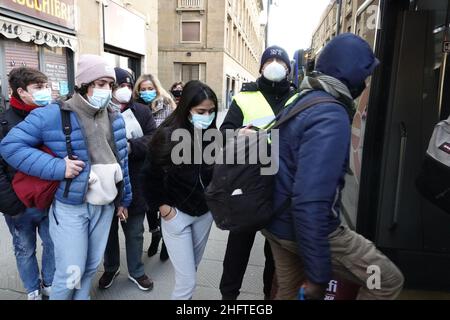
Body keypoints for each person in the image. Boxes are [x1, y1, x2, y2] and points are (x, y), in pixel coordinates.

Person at [263, 33, 404, 300]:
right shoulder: (331, 114)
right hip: (306, 226)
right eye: (363, 76)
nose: (364, 84)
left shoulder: (303, 99)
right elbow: (309, 199)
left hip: (276, 224)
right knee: (386, 279)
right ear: (349, 74)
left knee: (289, 292)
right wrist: (318, 276)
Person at [0, 54, 132, 300]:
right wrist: (57, 167)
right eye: (100, 83)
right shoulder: (53, 113)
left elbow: (121, 160)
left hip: (105, 205)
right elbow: (10, 146)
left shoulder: (114, 116)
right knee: (71, 270)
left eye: (110, 85)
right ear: (83, 84)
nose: (107, 90)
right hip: (71, 206)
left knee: (91, 266)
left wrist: (124, 199)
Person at [219, 45, 298, 300]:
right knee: (238, 246)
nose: (274, 64)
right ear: (261, 67)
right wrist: (238, 134)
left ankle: (269, 296)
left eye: (280, 60)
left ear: (288, 68)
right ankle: (228, 297)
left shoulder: (298, 99)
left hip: (282, 185)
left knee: (275, 252)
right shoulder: (244, 97)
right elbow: (222, 135)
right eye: (269, 60)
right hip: (249, 184)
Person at [141, 80, 218, 300]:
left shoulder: (212, 136)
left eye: (211, 111)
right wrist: (165, 210)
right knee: (187, 283)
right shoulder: (166, 134)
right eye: (201, 111)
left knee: (190, 271)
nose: (207, 115)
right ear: (187, 109)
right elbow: (148, 177)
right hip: (177, 215)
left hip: (204, 214)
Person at [98, 67, 156, 291]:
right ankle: (111, 268)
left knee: (134, 231)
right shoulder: (98, 110)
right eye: (120, 85)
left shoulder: (141, 111)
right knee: (108, 231)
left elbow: (153, 138)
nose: (125, 90)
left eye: (128, 86)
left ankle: (137, 271)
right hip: (105, 182)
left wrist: (132, 146)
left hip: (135, 179)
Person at [0, 67, 55, 300]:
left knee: (54, 244)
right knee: (24, 249)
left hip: (50, 198)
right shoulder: (4, 121)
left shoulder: (52, 114)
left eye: (46, 86)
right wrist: (11, 203)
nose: (46, 92)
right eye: (39, 88)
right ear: (21, 91)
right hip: (18, 203)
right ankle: (33, 290)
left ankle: (50, 285)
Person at [134, 73, 175, 260]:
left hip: (164, 161)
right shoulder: (135, 108)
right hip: (143, 161)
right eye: (143, 89)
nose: (147, 92)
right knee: (149, 203)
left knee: (164, 202)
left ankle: (167, 241)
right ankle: (155, 233)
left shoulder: (168, 106)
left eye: (150, 88)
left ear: (157, 89)